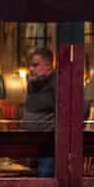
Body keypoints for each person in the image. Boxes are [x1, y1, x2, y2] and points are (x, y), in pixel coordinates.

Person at [21, 47, 57, 177]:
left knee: (44, 180)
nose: (31, 68)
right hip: (30, 147)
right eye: (30, 65)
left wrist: (57, 130)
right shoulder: (33, 83)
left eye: (35, 65)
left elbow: (81, 107)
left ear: (48, 65)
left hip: (48, 147)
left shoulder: (58, 82)